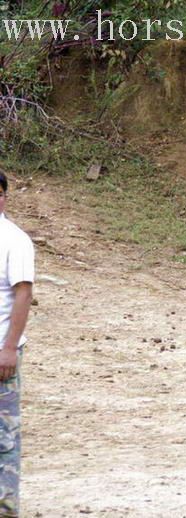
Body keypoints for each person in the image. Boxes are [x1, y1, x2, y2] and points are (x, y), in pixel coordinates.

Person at [0, 170, 34, 517]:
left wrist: (9, 347)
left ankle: (6, 507)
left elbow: (23, 295)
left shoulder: (15, 240)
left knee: (3, 436)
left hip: (1, 351)